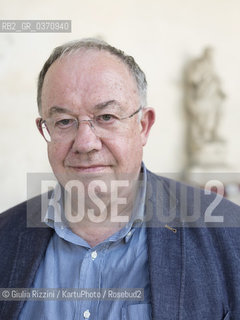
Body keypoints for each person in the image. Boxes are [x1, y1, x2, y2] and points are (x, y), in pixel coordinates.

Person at [0, 39, 240, 320]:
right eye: (64, 121)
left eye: (106, 117)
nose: (86, 143)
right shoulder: (5, 236)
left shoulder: (229, 235)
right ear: (45, 129)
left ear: (143, 126)